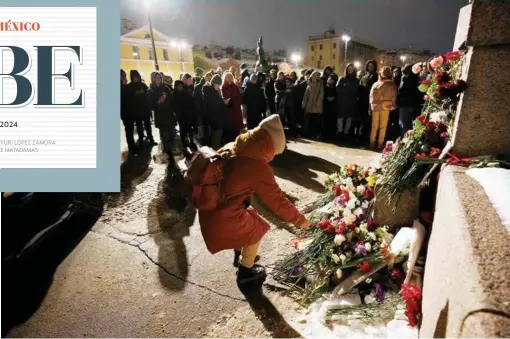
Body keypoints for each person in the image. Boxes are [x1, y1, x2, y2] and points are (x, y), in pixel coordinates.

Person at [198, 114, 311, 288]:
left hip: (210, 206)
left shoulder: (236, 145)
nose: (273, 157)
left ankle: (239, 254)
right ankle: (245, 273)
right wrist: (301, 221)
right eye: (274, 152)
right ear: (269, 147)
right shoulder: (257, 167)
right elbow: (278, 201)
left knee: (247, 217)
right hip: (222, 214)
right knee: (256, 228)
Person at [147, 71, 177, 154]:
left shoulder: (166, 87)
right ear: (153, 79)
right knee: (164, 134)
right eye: (156, 78)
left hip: (169, 113)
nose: (158, 79)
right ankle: (167, 151)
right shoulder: (151, 90)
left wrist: (168, 100)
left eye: (159, 77)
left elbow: (172, 99)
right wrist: (158, 102)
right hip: (160, 115)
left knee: (172, 133)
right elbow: (150, 105)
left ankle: (171, 148)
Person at [126, 70, 156, 148]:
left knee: (148, 125)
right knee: (139, 126)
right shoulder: (130, 86)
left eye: (137, 76)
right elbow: (129, 98)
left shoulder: (143, 85)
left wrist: (144, 93)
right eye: (134, 77)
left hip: (145, 109)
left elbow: (148, 94)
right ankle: (141, 141)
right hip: (136, 111)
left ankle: (151, 139)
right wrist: (135, 94)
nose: (136, 78)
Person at [369, 66, 397, 150]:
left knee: (374, 126)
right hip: (386, 107)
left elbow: (371, 96)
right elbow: (394, 97)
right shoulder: (392, 84)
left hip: (376, 107)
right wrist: (393, 105)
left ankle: (372, 142)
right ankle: (380, 143)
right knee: (383, 126)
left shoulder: (376, 84)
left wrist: (371, 106)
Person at [203, 74, 228, 150]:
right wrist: (222, 103)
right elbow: (214, 105)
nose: (219, 86)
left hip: (216, 119)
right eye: (218, 84)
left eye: (219, 84)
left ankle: (216, 150)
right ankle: (216, 152)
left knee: (217, 137)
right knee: (216, 138)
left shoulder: (214, 91)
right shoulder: (210, 92)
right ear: (213, 83)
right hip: (215, 119)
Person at [398, 64, 423, 136]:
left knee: (404, 125)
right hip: (415, 104)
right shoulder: (417, 79)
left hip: (405, 104)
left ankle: (404, 141)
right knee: (415, 125)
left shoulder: (404, 78)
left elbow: (401, 91)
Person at [336, 63, 359, 141]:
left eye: (352, 68)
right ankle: (340, 132)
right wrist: (346, 88)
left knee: (349, 118)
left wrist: (346, 86)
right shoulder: (342, 79)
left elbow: (355, 90)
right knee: (340, 118)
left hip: (351, 102)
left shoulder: (356, 80)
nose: (350, 70)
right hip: (342, 102)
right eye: (349, 68)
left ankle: (346, 133)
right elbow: (338, 89)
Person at [173, 80, 196, 151]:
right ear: (176, 87)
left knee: (189, 129)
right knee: (182, 129)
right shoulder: (174, 94)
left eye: (181, 86)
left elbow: (192, 103)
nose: (180, 87)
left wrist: (192, 113)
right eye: (178, 86)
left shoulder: (186, 93)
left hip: (187, 114)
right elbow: (173, 105)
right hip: (180, 115)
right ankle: (184, 143)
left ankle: (192, 142)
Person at [359, 60, 379, 142]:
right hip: (364, 102)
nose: (370, 68)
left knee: (372, 122)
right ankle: (363, 137)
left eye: (372, 66)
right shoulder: (364, 77)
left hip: (373, 102)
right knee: (364, 121)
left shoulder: (377, 77)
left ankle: (370, 138)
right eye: (369, 66)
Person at [221, 71, 244, 144]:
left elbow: (239, 98)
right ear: (224, 78)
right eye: (227, 77)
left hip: (236, 111)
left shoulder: (235, 87)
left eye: (231, 77)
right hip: (227, 111)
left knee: (236, 130)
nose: (229, 78)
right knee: (228, 131)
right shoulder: (223, 87)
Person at [121, 70, 138, 154]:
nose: (125, 77)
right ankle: (132, 147)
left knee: (130, 129)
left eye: (124, 75)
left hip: (130, 111)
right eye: (123, 76)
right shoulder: (120, 87)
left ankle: (133, 145)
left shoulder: (126, 86)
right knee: (128, 130)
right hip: (125, 112)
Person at [302, 71, 324, 138]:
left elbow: (321, 95)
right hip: (309, 105)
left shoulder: (320, 84)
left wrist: (317, 103)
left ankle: (313, 134)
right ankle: (307, 134)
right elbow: (305, 95)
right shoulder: (309, 84)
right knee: (308, 121)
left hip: (316, 106)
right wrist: (304, 103)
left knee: (315, 121)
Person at [387, 67, 403, 141]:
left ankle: (395, 137)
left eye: (397, 72)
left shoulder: (400, 81)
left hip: (397, 105)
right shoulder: (391, 81)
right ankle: (389, 136)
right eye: (394, 72)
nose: (395, 73)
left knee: (396, 122)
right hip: (389, 104)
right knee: (389, 121)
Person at [322, 73, 338, 140]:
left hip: (333, 107)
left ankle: (331, 135)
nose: (331, 81)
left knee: (332, 121)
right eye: (330, 79)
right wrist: (327, 98)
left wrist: (334, 98)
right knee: (326, 121)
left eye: (332, 80)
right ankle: (325, 135)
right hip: (326, 106)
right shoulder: (325, 87)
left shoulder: (335, 88)